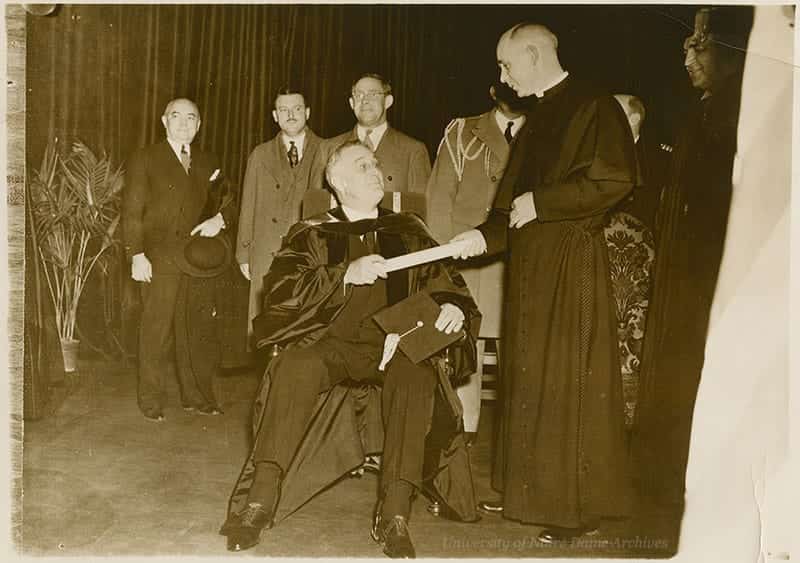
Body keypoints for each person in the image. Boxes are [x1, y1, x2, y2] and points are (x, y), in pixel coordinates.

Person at [220, 140, 480, 557]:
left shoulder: (408, 230)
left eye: (376, 164)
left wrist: (453, 307)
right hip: (330, 345)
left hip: (394, 346)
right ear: (337, 182)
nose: (375, 170)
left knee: (417, 375)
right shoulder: (312, 232)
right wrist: (343, 275)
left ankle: (394, 513)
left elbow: (445, 282)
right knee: (293, 366)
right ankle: (261, 500)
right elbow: (281, 295)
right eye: (363, 166)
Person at [451, 23, 637, 543]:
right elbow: (510, 207)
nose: (502, 76)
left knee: (567, 382)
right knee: (529, 378)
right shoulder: (537, 116)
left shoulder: (596, 105)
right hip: (530, 270)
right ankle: (525, 491)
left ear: (533, 55)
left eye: (506, 64)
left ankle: (574, 509)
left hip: (571, 266)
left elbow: (615, 180)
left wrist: (544, 202)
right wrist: (479, 237)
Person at [630, 6, 749, 511]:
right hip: (685, 275)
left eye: (699, 45)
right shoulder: (703, 110)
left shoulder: (740, 113)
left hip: (714, 278)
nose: (687, 57)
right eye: (687, 46)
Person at [426, 81, 526, 442]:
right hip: (466, 258)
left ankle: (516, 436)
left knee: (519, 345)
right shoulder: (462, 131)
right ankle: (464, 430)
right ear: (492, 92)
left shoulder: (542, 133)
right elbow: (439, 200)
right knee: (468, 342)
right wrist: (442, 260)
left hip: (517, 259)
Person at [123, 97, 230, 421]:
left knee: (196, 329)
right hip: (159, 257)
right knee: (156, 329)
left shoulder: (209, 160)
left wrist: (220, 219)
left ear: (199, 125)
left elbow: (228, 198)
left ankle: (196, 396)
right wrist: (136, 254)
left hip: (196, 258)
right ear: (164, 121)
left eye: (191, 118)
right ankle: (150, 399)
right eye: (176, 116)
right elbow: (132, 211)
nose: (184, 123)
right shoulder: (146, 158)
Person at [236, 87, 323, 348]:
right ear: (275, 116)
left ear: (308, 112)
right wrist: (244, 253)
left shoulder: (326, 149)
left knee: (306, 324)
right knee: (266, 325)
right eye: (284, 110)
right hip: (266, 250)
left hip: (310, 251)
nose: (291, 115)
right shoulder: (260, 154)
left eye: (297, 109)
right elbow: (248, 204)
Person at [310, 73, 431, 195]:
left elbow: (418, 205)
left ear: (388, 101)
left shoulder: (413, 151)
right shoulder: (327, 149)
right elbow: (316, 203)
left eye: (373, 94)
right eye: (359, 95)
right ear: (352, 103)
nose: (365, 100)